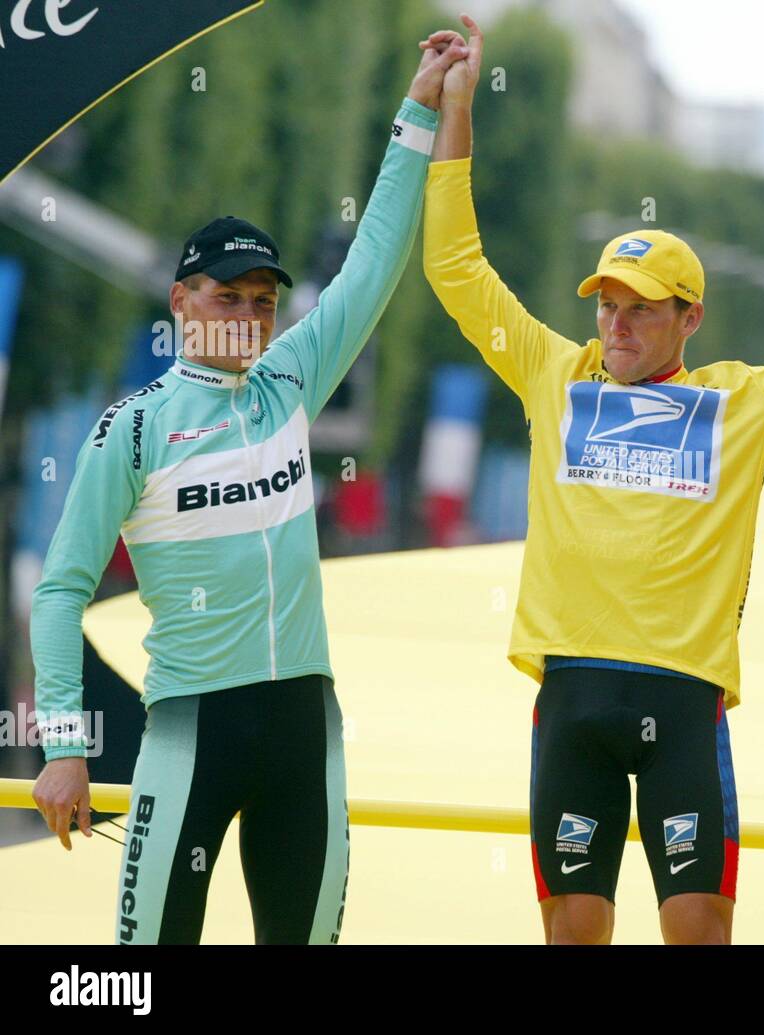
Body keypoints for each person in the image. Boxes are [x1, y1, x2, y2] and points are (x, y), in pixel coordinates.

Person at [422, 17, 764, 944]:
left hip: (682, 703)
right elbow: (456, 269)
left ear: (690, 317)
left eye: (642, 312)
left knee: (698, 931)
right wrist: (453, 111)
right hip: (573, 696)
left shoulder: (746, 402)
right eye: (608, 306)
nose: (617, 326)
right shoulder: (555, 371)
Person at [29, 30, 472, 944]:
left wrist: (418, 109)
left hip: (305, 731)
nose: (249, 315)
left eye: (264, 301)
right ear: (181, 302)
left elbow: (376, 259)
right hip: (191, 732)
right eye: (227, 298)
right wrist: (65, 747)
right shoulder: (135, 428)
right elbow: (61, 588)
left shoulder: (291, 381)